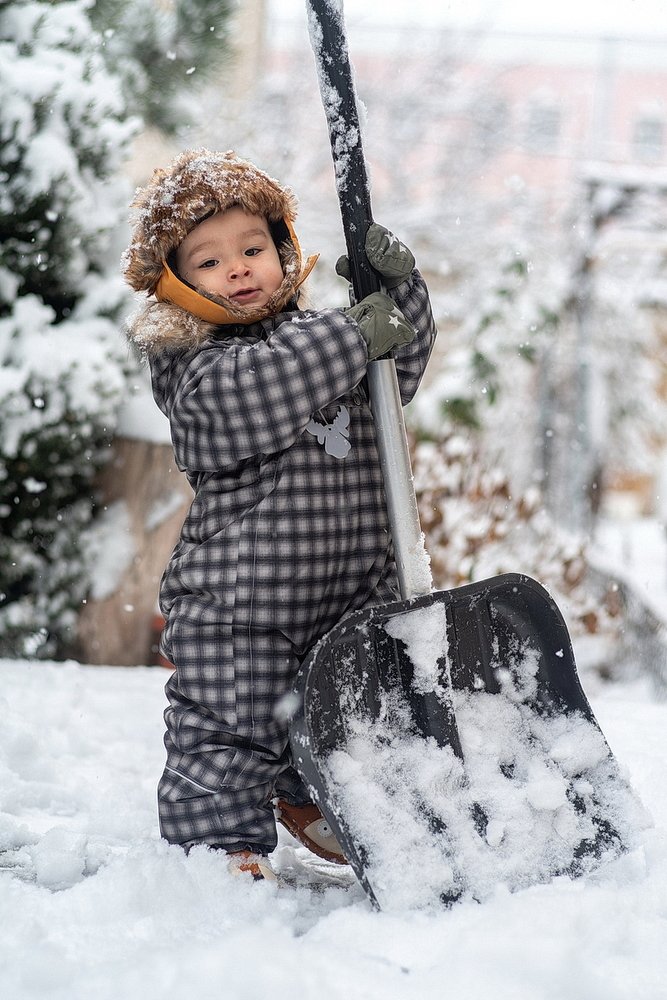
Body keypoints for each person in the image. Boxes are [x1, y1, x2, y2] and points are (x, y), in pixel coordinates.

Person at [122, 148, 437, 880]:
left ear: (283, 251)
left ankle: (307, 793)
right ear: (175, 283)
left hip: (353, 582)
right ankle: (219, 843)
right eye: (207, 261)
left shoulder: (321, 338)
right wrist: (354, 335)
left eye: (253, 248)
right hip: (245, 599)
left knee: (355, 712)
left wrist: (398, 295)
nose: (237, 268)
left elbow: (393, 383)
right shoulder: (193, 367)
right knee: (233, 719)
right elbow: (256, 393)